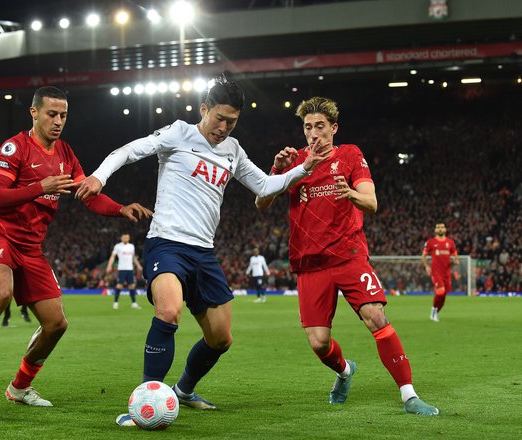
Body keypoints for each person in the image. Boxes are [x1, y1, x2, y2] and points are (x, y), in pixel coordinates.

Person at [75, 75, 331, 426]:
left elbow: (265, 186)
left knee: (221, 338)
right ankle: (146, 400)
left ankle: (182, 390)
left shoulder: (233, 150)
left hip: (204, 253)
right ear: (204, 109)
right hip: (167, 242)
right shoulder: (180, 132)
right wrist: (99, 178)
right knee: (169, 311)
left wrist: (304, 168)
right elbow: (129, 150)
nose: (224, 128)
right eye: (219, 119)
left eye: (232, 122)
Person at [0, 86, 152, 406]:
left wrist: (120, 208)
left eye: (64, 116)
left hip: (32, 249)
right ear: (34, 113)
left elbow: (89, 194)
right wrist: (39, 187)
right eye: (52, 114)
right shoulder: (14, 148)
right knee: (0, 293)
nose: (58, 121)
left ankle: (19, 388)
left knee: (56, 323)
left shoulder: (65, 155)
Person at [255, 96, 439, 416]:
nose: (313, 134)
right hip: (310, 263)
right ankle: (345, 372)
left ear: (333, 128)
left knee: (376, 318)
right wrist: (277, 170)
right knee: (319, 343)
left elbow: (371, 202)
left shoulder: (350, 154)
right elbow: (261, 203)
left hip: (348, 254)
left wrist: (350, 193)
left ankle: (409, 396)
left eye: (320, 127)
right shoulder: (296, 161)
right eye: (308, 127)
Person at [422, 222, 459, 322]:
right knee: (440, 291)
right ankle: (433, 312)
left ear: (445, 229)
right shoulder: (431, 242)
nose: (440, 229)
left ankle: (435, 312)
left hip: (446, 273)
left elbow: (455, 256)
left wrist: (455, 261)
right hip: (436, 272)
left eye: (442, 227)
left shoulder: (450, 243)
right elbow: (424, 256)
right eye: (438, 227)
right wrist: (427, 266)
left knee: (443, 297)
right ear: (435, 230)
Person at [106, 233, 143, 310]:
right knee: (119, 285)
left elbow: (133, 258)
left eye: (127, 237)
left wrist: (138, 265)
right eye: (124, 237)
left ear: (129, 238)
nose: (125, 238)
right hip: (122, 269)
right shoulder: (118, 246)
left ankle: (134, 303)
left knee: (132, 286)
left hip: (130, 269)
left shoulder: (131, 246)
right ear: (121, 238)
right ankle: (116, 303)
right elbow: (112, 256)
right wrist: (109, 265)